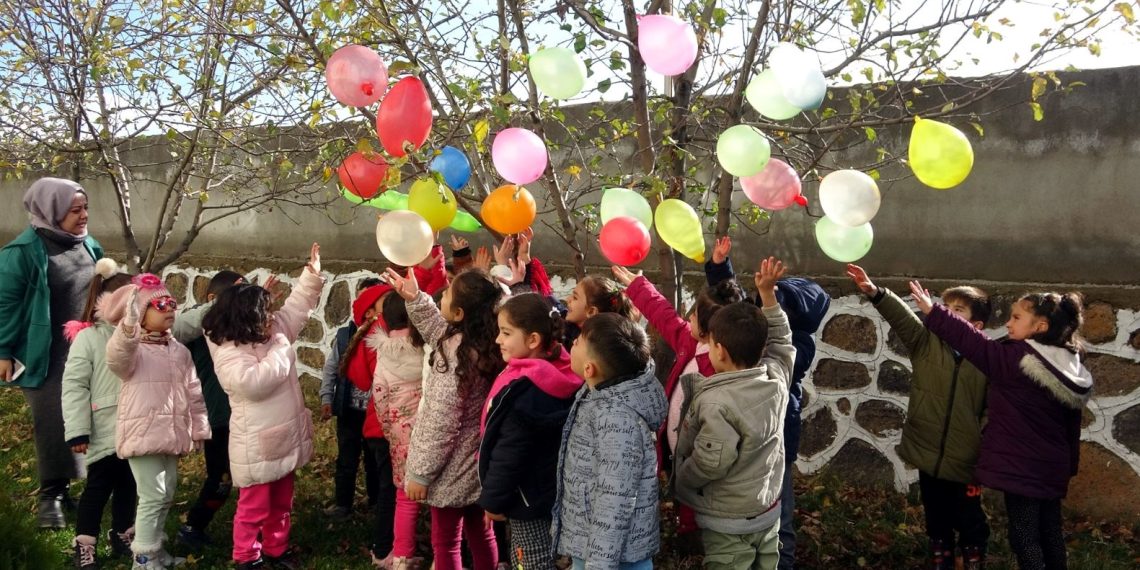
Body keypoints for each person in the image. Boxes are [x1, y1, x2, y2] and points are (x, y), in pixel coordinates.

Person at [913, 284, 1093, 570]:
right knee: (1050, 533)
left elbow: (973, 343)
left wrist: (935, 312)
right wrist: (1069, 466)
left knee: (1024, 538)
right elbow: (1072, 427)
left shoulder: (1015, 361)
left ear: (1040, 326)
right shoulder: (1069, 364)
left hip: (1022, 467)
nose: (1008, 323)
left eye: (1017, 317)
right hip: (1052, 467)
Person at [846, 264, 990, 569]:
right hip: (927, 450)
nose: (945, 313)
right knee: (936, 511)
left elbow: (992, 412)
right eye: (945, 307)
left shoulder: (988, 360)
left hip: (966, 458)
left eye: (957, 310)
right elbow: (903, 319)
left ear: (976, 325)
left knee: (969, 514)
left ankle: (973, 556)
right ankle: (942, 557)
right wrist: (875, 292)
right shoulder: (926, 344)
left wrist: (985, 445)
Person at [705, 237, 830, 569]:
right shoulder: (759, 322)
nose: (759, 308)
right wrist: (719, 266)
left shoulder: (797, 346)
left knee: (779, 514)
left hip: (776, 441)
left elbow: (766, 346)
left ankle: (780, 562)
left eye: (771, 304)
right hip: (743, 445)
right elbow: (734, 304)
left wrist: (768, 297)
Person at [203, 244, 324, 570]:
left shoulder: (270, 332)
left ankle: (276, 550)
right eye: (266, 313)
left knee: (282, 503)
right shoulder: (229, 348)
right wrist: (282, 351)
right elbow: (250, 383)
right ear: (247, 319)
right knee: (254, 505)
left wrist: (310, 276)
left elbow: (296, 309)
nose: (274, 318)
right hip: (256, 444)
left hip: (282, 436)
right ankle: (247, 556)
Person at [673, 257, 796, 570]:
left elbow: (710, 462)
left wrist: (682, 478)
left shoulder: (716, 402)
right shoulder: (776, 377)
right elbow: (781, 342)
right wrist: (768, 295)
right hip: (768, 509)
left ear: (720, 351)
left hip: (727, 520)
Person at [385, 267, 504, 570]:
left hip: (450, 466)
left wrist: (421, 474)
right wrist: (415, 298)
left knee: (447, 542)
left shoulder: (454, 357)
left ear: (460, 313)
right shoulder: (485, 342)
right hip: (478, 461)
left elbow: (441, 420)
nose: (443, 294)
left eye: (448, 292)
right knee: (482, 534)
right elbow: (437, 328)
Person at [0, 177, 102, 528]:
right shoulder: (22, 253)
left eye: (85, 207)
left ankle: (85, 485)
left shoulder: (88, 245)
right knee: (53, 420)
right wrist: (3, 351)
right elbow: (5, 305)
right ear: (52, 211)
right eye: (75, 210)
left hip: (86, 348)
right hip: (44, 351)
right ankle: (51, 496)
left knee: (87, 415)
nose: (84, 215)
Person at [104, 274, 211, 569]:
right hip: (143, 435)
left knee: (166, 495)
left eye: (172, 303)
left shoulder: (179, 351)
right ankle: (143, 559)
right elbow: (117, 359)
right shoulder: (133, 348)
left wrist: (199, 427)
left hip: (170, 435)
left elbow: (194, 391)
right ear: (140, 315)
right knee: (152, 496)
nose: (168, 309)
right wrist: (128, 327)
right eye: (159, 304)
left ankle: (156, 550)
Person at [553, 313, 667, 570]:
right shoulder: (599, 394)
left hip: (613, 558)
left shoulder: (617, 420)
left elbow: (614, 499)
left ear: (589, 369)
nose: (572, 343)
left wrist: (599, 565)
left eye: (578, 341)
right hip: (596, 548)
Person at [481, 293, 583, 569]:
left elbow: (509, 453)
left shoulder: (524, 392)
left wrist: (493, 500)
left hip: (524, 498)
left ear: (533, 340)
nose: (498, 340)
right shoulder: (566, 371)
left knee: (529, 560)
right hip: (555, 493)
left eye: (505, 333)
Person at [61, 259, 137, 569]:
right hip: (103, 427)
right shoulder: (89, 338)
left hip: (134, 427)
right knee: (98, 488)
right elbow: (74, 385)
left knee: (129, 484)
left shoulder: (141, 336)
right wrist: (78, 430)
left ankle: (122, 534)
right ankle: (85, 543)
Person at [172, 269, 246, 551]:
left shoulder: (237, 325)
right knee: (221, 478)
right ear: (213, 300)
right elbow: (177, 328)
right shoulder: (199, 326)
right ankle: (193, 526)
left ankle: (254, 525)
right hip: (219, 417)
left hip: (242, 412)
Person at [368, 292, 427, 569]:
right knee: (440, 499)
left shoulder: (383, 355)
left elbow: (379, 397)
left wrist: (390, 431)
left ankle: (402, 556)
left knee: (404, 497)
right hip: (432, 435)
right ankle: (444, 554)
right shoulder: (429, 349)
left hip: (400, 438)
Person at [321, 280, 387, 520]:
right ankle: (343, 504)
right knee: (346, 458)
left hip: (374, 413)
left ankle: (377, 502)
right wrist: (327, 397)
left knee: (374, 460)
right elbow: (331, 368)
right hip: (349, 410)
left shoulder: (385, 335)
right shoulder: (345, 335)